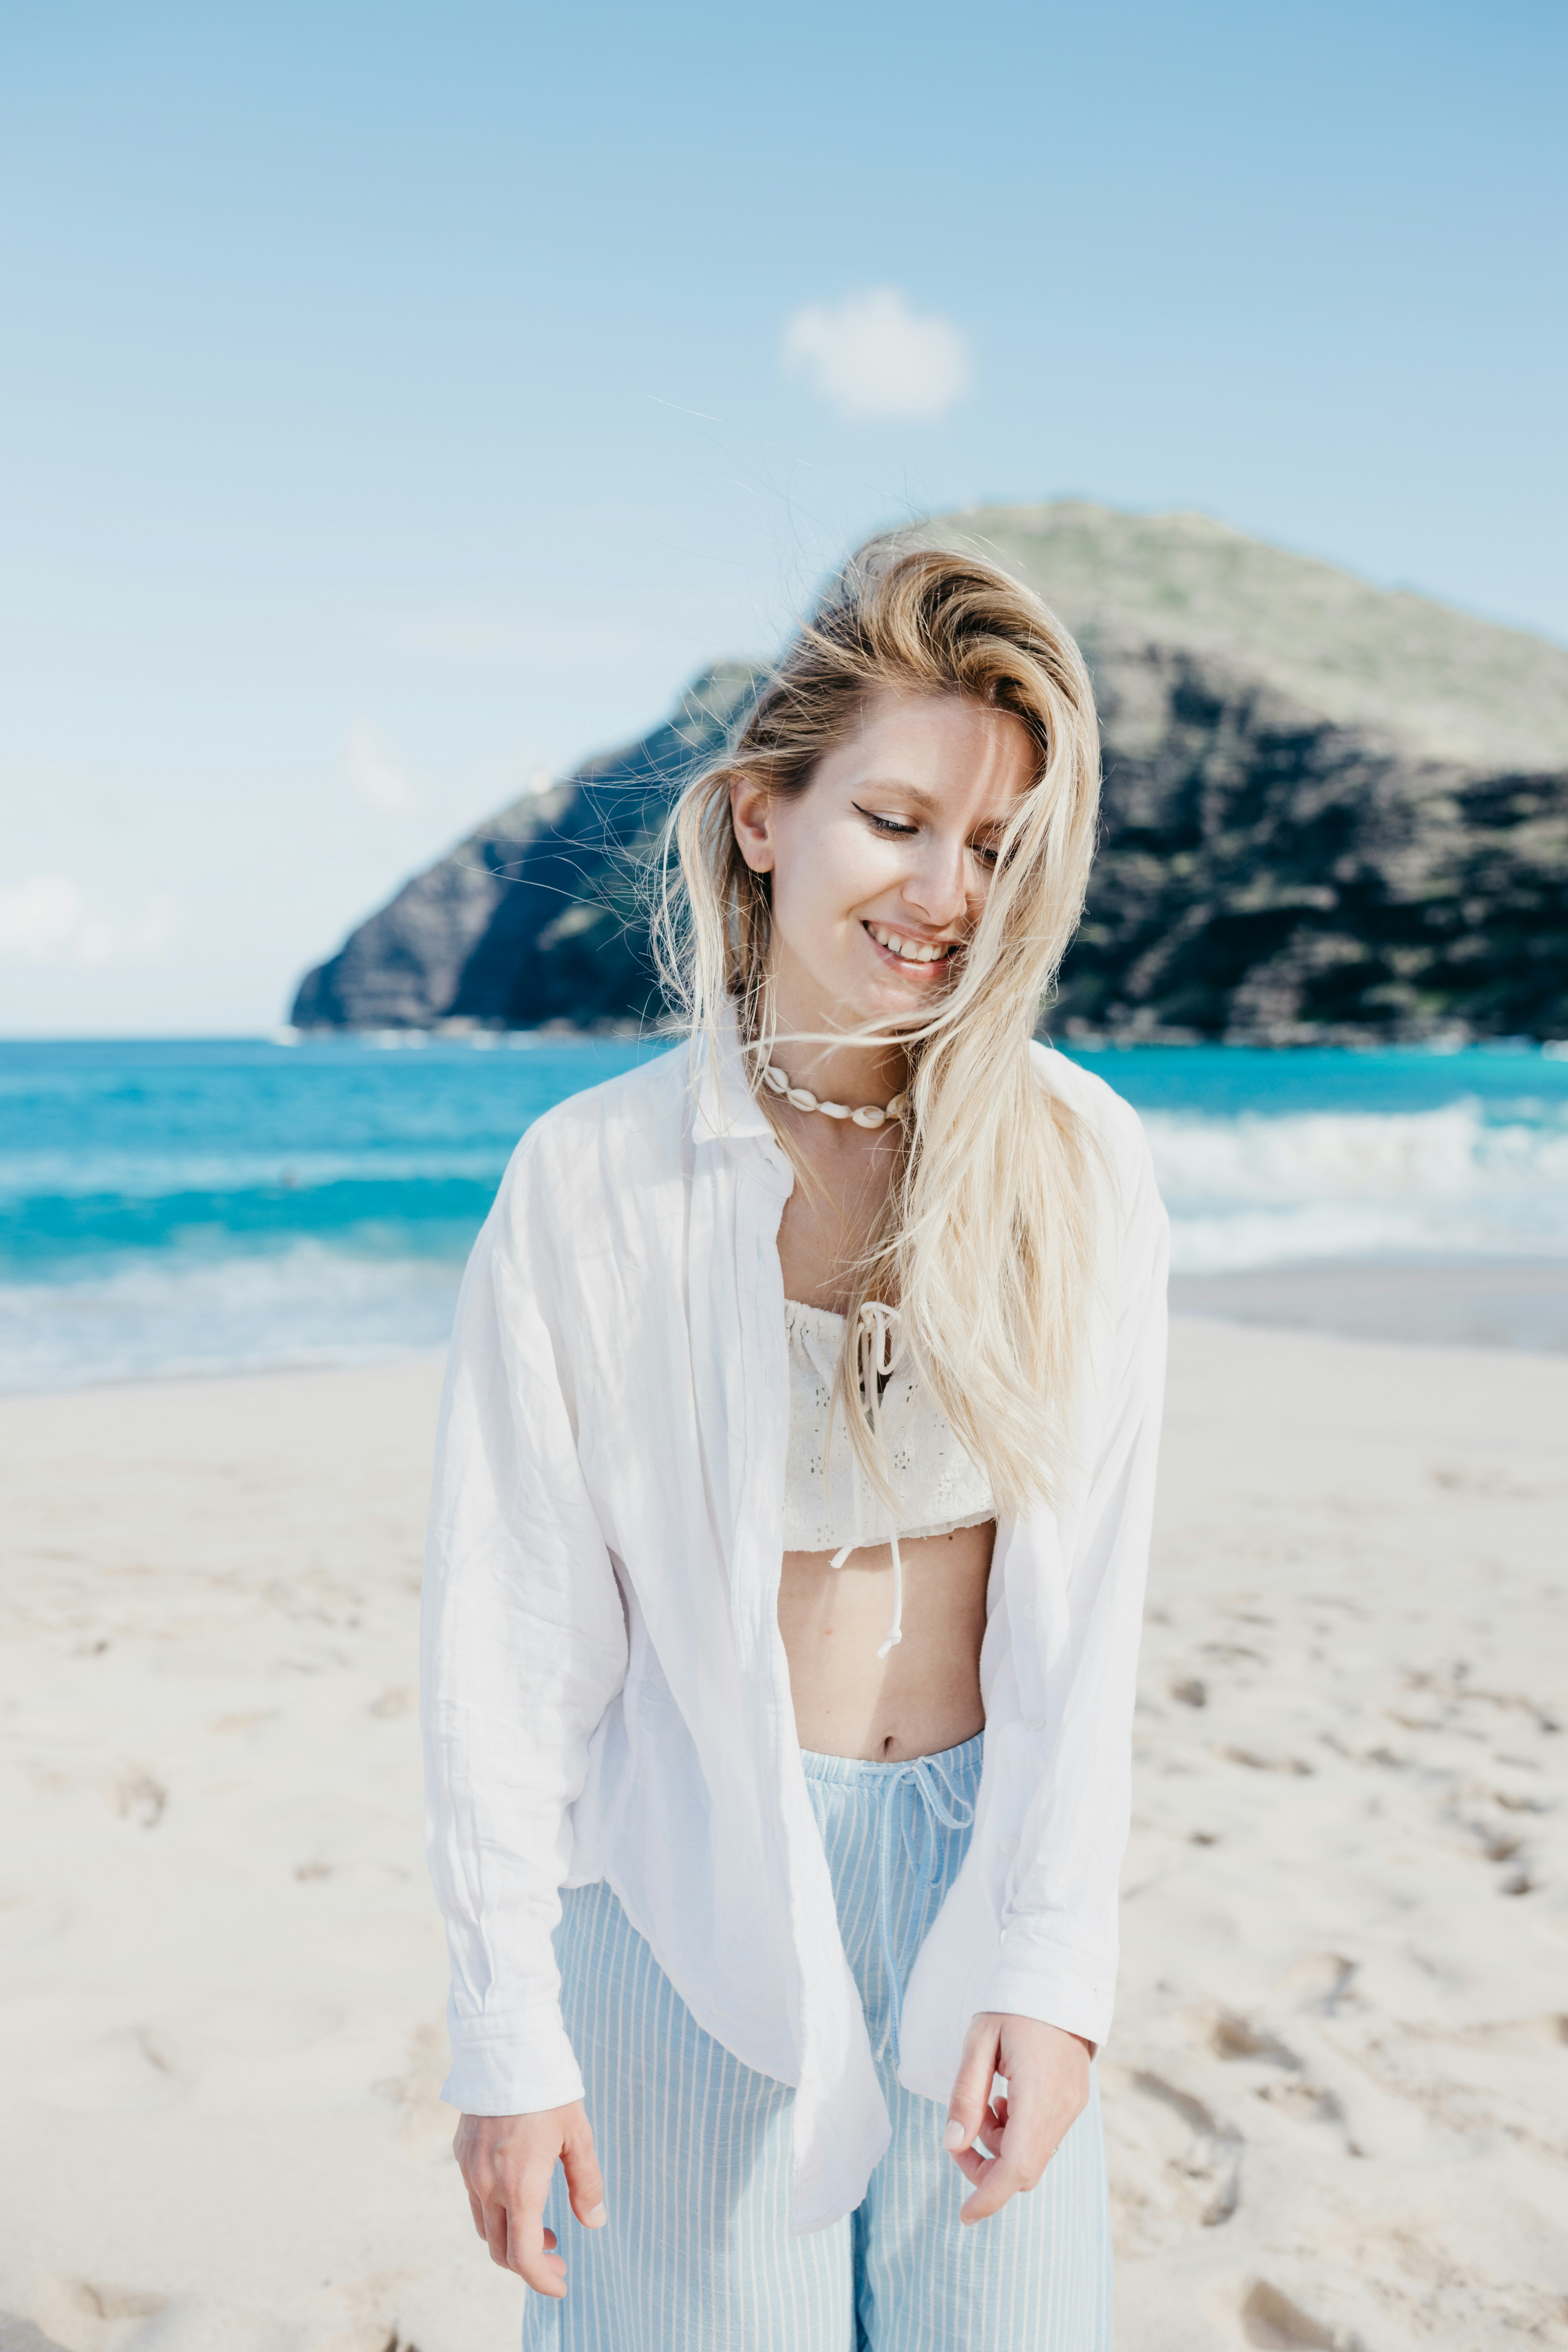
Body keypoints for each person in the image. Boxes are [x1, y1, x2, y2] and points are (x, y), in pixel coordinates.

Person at [419, 536, 1170, 2349]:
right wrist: (508, 2040)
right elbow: (509, 1658)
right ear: (765, 814)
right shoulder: (589, 1186)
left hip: (982, 1882)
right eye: (896, 819)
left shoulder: (1079, 1166)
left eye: (995, 848)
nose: (946, 893)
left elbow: (1093, 1623)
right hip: (683, 1902)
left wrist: (1058, 1975)